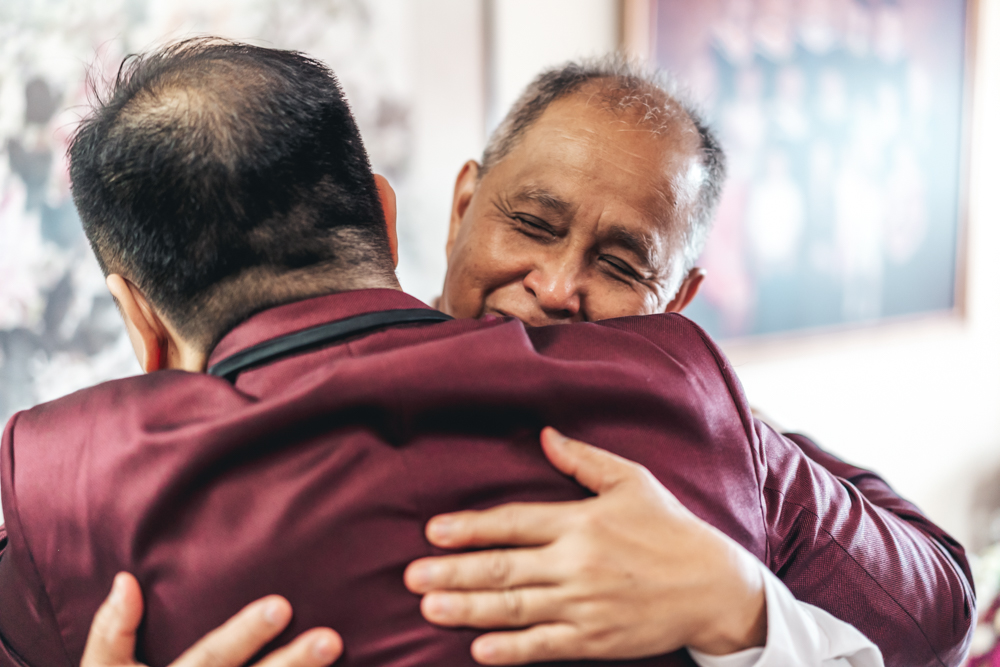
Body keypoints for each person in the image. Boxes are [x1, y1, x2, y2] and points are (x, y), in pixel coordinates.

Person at [0, 41, 964, 667]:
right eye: (530, 222)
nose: (553, 286)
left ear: (679, 306)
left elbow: (938, 605)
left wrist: (740, 601)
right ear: (447, 209)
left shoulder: (693, 420)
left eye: (621, 264)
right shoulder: (99, 493)